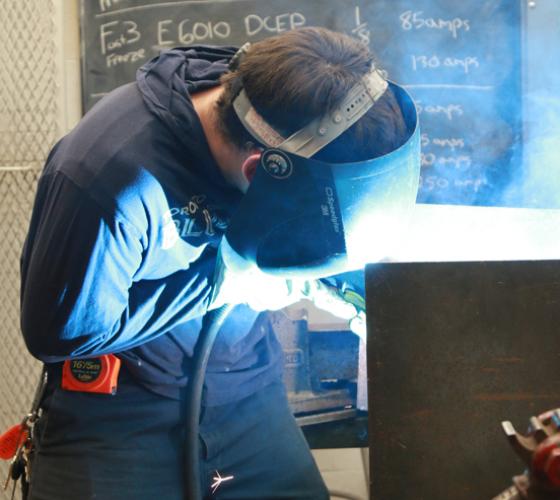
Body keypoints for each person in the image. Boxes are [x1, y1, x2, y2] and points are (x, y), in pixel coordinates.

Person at [19, 27, 408, 499]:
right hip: (118, 417)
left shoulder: (276, 100)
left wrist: (349, 290)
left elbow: (313, 222)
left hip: (247, 395)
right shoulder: (109, 179)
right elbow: (62, 333)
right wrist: (223, 281)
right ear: (259, 169)